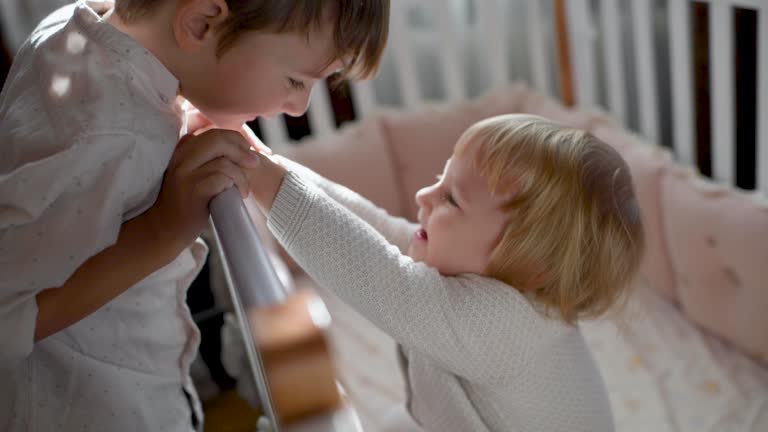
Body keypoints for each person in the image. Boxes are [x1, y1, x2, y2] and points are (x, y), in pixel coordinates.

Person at [0, 1, 389, 431]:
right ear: (201, 23)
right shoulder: (110, 131)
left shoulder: (69, 30)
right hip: (94, 409)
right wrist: (163, 231)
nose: (298, 107)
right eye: (296, 80)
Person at [245, 114, 645, 432]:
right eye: (441, 178)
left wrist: (268, 184)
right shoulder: (484, 272)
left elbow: (376, 274)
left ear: (530, 261)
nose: (424, 196)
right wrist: (270, 167)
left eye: (452, 199)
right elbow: (375, 230)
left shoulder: (501, 327)